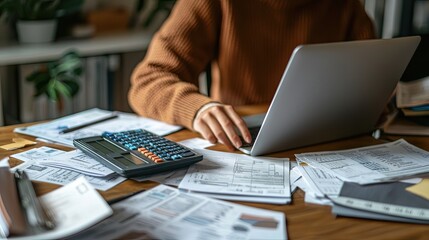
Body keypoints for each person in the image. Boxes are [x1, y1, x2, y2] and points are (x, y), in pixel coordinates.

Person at [128, 0, 375, 151]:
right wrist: (198, 109)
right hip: (239, 140)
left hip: (325, 142)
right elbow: (148, 80)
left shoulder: (345, 5)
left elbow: (373, 76)